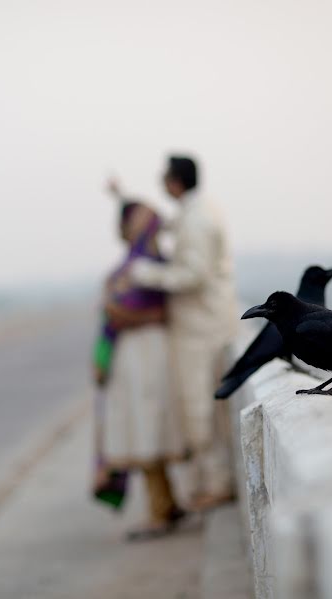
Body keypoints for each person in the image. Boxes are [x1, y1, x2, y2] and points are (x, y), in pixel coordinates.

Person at [122, 155, 239, 511]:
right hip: (206, 323)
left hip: (200, 328)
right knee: (203, 404)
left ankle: (218, 484)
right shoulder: (197, 211)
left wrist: (146, 274)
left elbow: (194, 275)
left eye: (163, 178)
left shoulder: (198, 219)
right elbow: (166, 224)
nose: (160, 184)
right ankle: (214, 480)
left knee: (199, 405)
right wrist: (120, 197)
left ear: (175, 182)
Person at [93, 200, 188, 540]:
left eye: (131, 220)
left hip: (148, 351)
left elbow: (131, 312)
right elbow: (112, 312)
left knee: (149, 423)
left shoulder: (148, 267)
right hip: (133, 354)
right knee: (142, 423)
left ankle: (161, 511)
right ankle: (165, 504)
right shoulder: (130, 267)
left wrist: (125, 315)